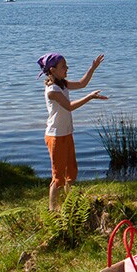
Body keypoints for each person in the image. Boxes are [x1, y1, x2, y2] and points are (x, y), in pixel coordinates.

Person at [37, 52, 108, 211]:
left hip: (66, 134)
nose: (67, 68)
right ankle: (52, 209)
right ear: (53, 70)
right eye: (64, 66)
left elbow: (82, 84)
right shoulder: (52, 90)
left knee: (71, 171)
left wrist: (93, 68)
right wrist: (89, 98)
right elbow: (69, 106)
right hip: (55, 136)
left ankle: (69, 204)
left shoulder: (62, 83)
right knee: (58, 177)